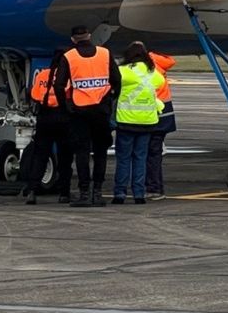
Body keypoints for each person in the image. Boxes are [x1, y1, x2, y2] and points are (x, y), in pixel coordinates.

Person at [51, 25, 121, 208]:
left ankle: (84, 193)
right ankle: (97, 193)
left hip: (79, 111)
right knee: (100, 152)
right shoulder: (105, 53)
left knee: (81, 153)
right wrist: (111, 99)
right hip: (101, 110)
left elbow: (59, 85)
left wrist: (65, 106)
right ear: (90, 36)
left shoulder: (69, 56)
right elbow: (117, 79)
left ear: (73, 39)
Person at [110, 42, 166, 205]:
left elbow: (113, 83)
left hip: (126, 121)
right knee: (140, 158)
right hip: (147, 122)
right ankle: (139, 194)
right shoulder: (152, 73)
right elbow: (160, 83)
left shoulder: (123, 72)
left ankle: (120, 193)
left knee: (123, 159)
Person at [20, 47, 74, 205]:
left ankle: (32, 190)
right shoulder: (68, 77)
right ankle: (64, 193)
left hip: (44, 117)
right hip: (63, 117)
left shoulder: (43, 75)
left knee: (40, 156)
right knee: (65, 158)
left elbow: (34, 94)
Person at [145, 50, 178, 200]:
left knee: (143, 154)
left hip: (145, 119)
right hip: (165, 117)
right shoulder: (159, 66)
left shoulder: (137, 70)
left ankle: (151, 187)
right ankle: (156, 188)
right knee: (155, 154)